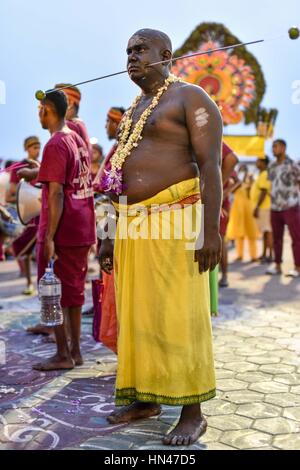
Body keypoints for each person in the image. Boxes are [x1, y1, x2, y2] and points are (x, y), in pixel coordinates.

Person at [99, 29, 222, 446]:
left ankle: (193, 413)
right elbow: (118, 177)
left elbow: (211, 167)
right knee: (139, 317)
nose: (131, 56)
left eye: (140, 50)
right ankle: (144, 398)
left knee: (179, 315)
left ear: (165, 55)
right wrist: (109, 233)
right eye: (128, 50)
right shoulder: (135, 108)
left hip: (176, 222)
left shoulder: (190, 98)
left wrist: (211, 231)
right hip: (132, 225)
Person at [32, 89, 96, 371]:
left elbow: (56, 194)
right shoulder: (76, 139)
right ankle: (75, 351)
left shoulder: (56, 143)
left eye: (39, 109)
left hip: (64, 229)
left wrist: (48, 237)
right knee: (73, 292)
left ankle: (62, 354)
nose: (38, 115)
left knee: (54, 291)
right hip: (81, 226)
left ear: (47, 110)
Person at [6, 137, 41, 294]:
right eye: (33, 147)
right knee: (24, 250)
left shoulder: (43, 165)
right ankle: (29, 283)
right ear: (27, 148)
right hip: (28, 215)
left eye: (38, 146)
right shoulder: (20, 167)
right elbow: (10, 195)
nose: (37, 150)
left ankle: (46, 281)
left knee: (47, 249)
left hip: (44, 212)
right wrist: (27, 197)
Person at [266, 139, 300, 277]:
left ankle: (297, 267)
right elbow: (271, 184)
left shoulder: (293, 164)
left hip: (290, 205)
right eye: (272, 147)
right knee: (276, 238)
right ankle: (277, 265)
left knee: (296, 237)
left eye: (276, 147)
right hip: (275, 207)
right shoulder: (271, 165)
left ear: (283, 148)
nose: (273, 149)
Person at [226, 164, 259, 262]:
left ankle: (254, 256)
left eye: (243, 169)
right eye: (240, 169)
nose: (242, 171)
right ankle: (239, 255)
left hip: (248, 208)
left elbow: (250, 194)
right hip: (238, 208)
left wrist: (250, 181)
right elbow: (233, 191)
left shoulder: (250, 180)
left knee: (251, 233)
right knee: (239, 233)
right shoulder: (235, 181)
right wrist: (238, 180)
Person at [218, 142, 238, 287]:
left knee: (220, 240)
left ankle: (224, 275)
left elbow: (238, 181)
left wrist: (222, 192)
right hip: (206, 200)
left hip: (219, 203)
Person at [250, 156, 273, 263]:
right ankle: (265, 254)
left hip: (264, 207)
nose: (256, 163)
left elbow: (264, 191)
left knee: (268, 232)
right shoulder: (262, 174)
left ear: (263, 162)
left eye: (258, 161)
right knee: (265, 232)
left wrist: (257, 207)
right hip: (263, 207)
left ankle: (270, 255)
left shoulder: (265, 174)